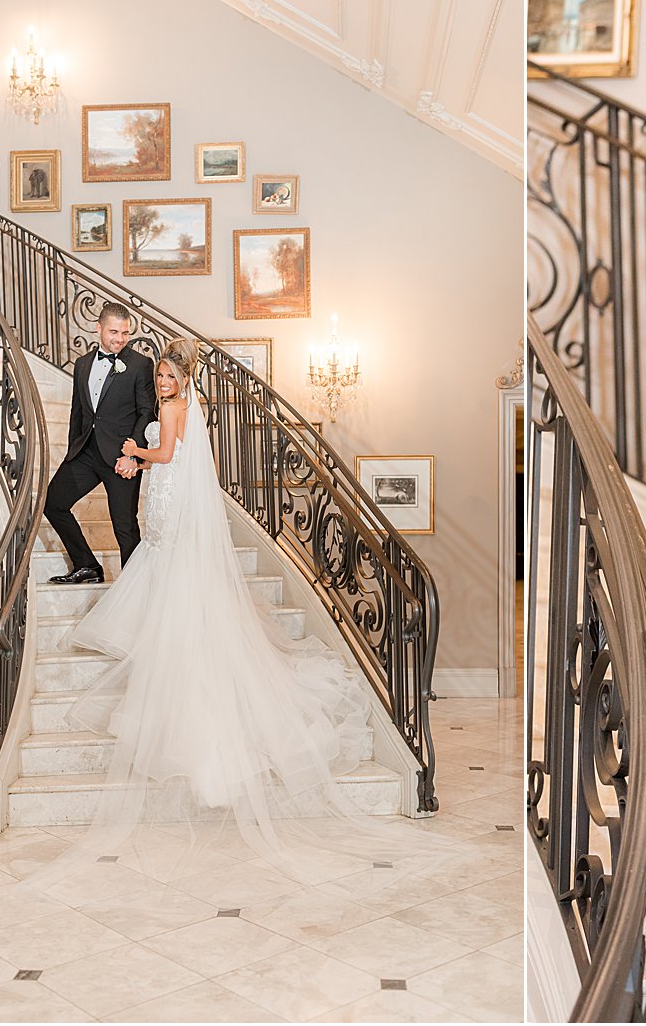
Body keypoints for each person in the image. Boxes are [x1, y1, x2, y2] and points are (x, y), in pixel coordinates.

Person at [30, 338, 430, 886]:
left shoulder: (172, 408)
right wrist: (139, 458)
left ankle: (171, 642)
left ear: (182, 377)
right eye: (162, 376)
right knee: (158, 564)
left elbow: (167, 455)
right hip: (170, 501)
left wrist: (134, 452)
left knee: (158, 566)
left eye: (169, 376)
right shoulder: (188, 405)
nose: (163, 383)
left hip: (167, 495)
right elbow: (185, 459)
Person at [43, 302, 156, 583]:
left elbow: (147, 412)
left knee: (125, 527)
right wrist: (72, 450)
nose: (120, 339)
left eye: (125, 333)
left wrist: (133, 455)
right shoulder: (82, 365)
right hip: (86, 453)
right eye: (114, 332)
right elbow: (78, 410)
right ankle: (87, 565)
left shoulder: (140, 365)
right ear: (98, 328)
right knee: (53, 503)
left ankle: (135, 586)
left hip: (121, 455)